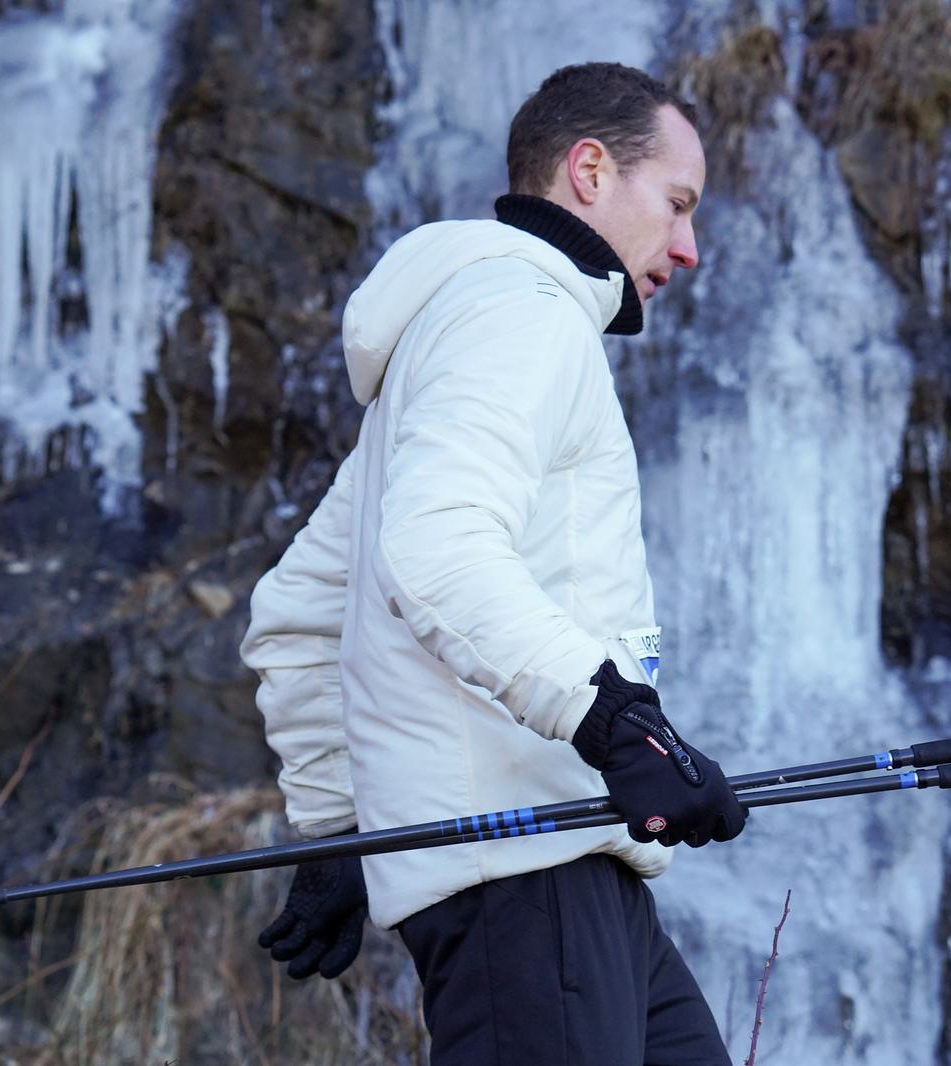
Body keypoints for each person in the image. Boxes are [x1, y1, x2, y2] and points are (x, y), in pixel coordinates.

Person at [240, 61, 747, 1065]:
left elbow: (300, 605)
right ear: (590, 171)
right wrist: (612, 719)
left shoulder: (458, 330)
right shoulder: (518, 312)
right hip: (528, 872)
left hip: (565, 865)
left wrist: (343, 828)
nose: (689, 247)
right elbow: (435, 547)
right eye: (677, 204)